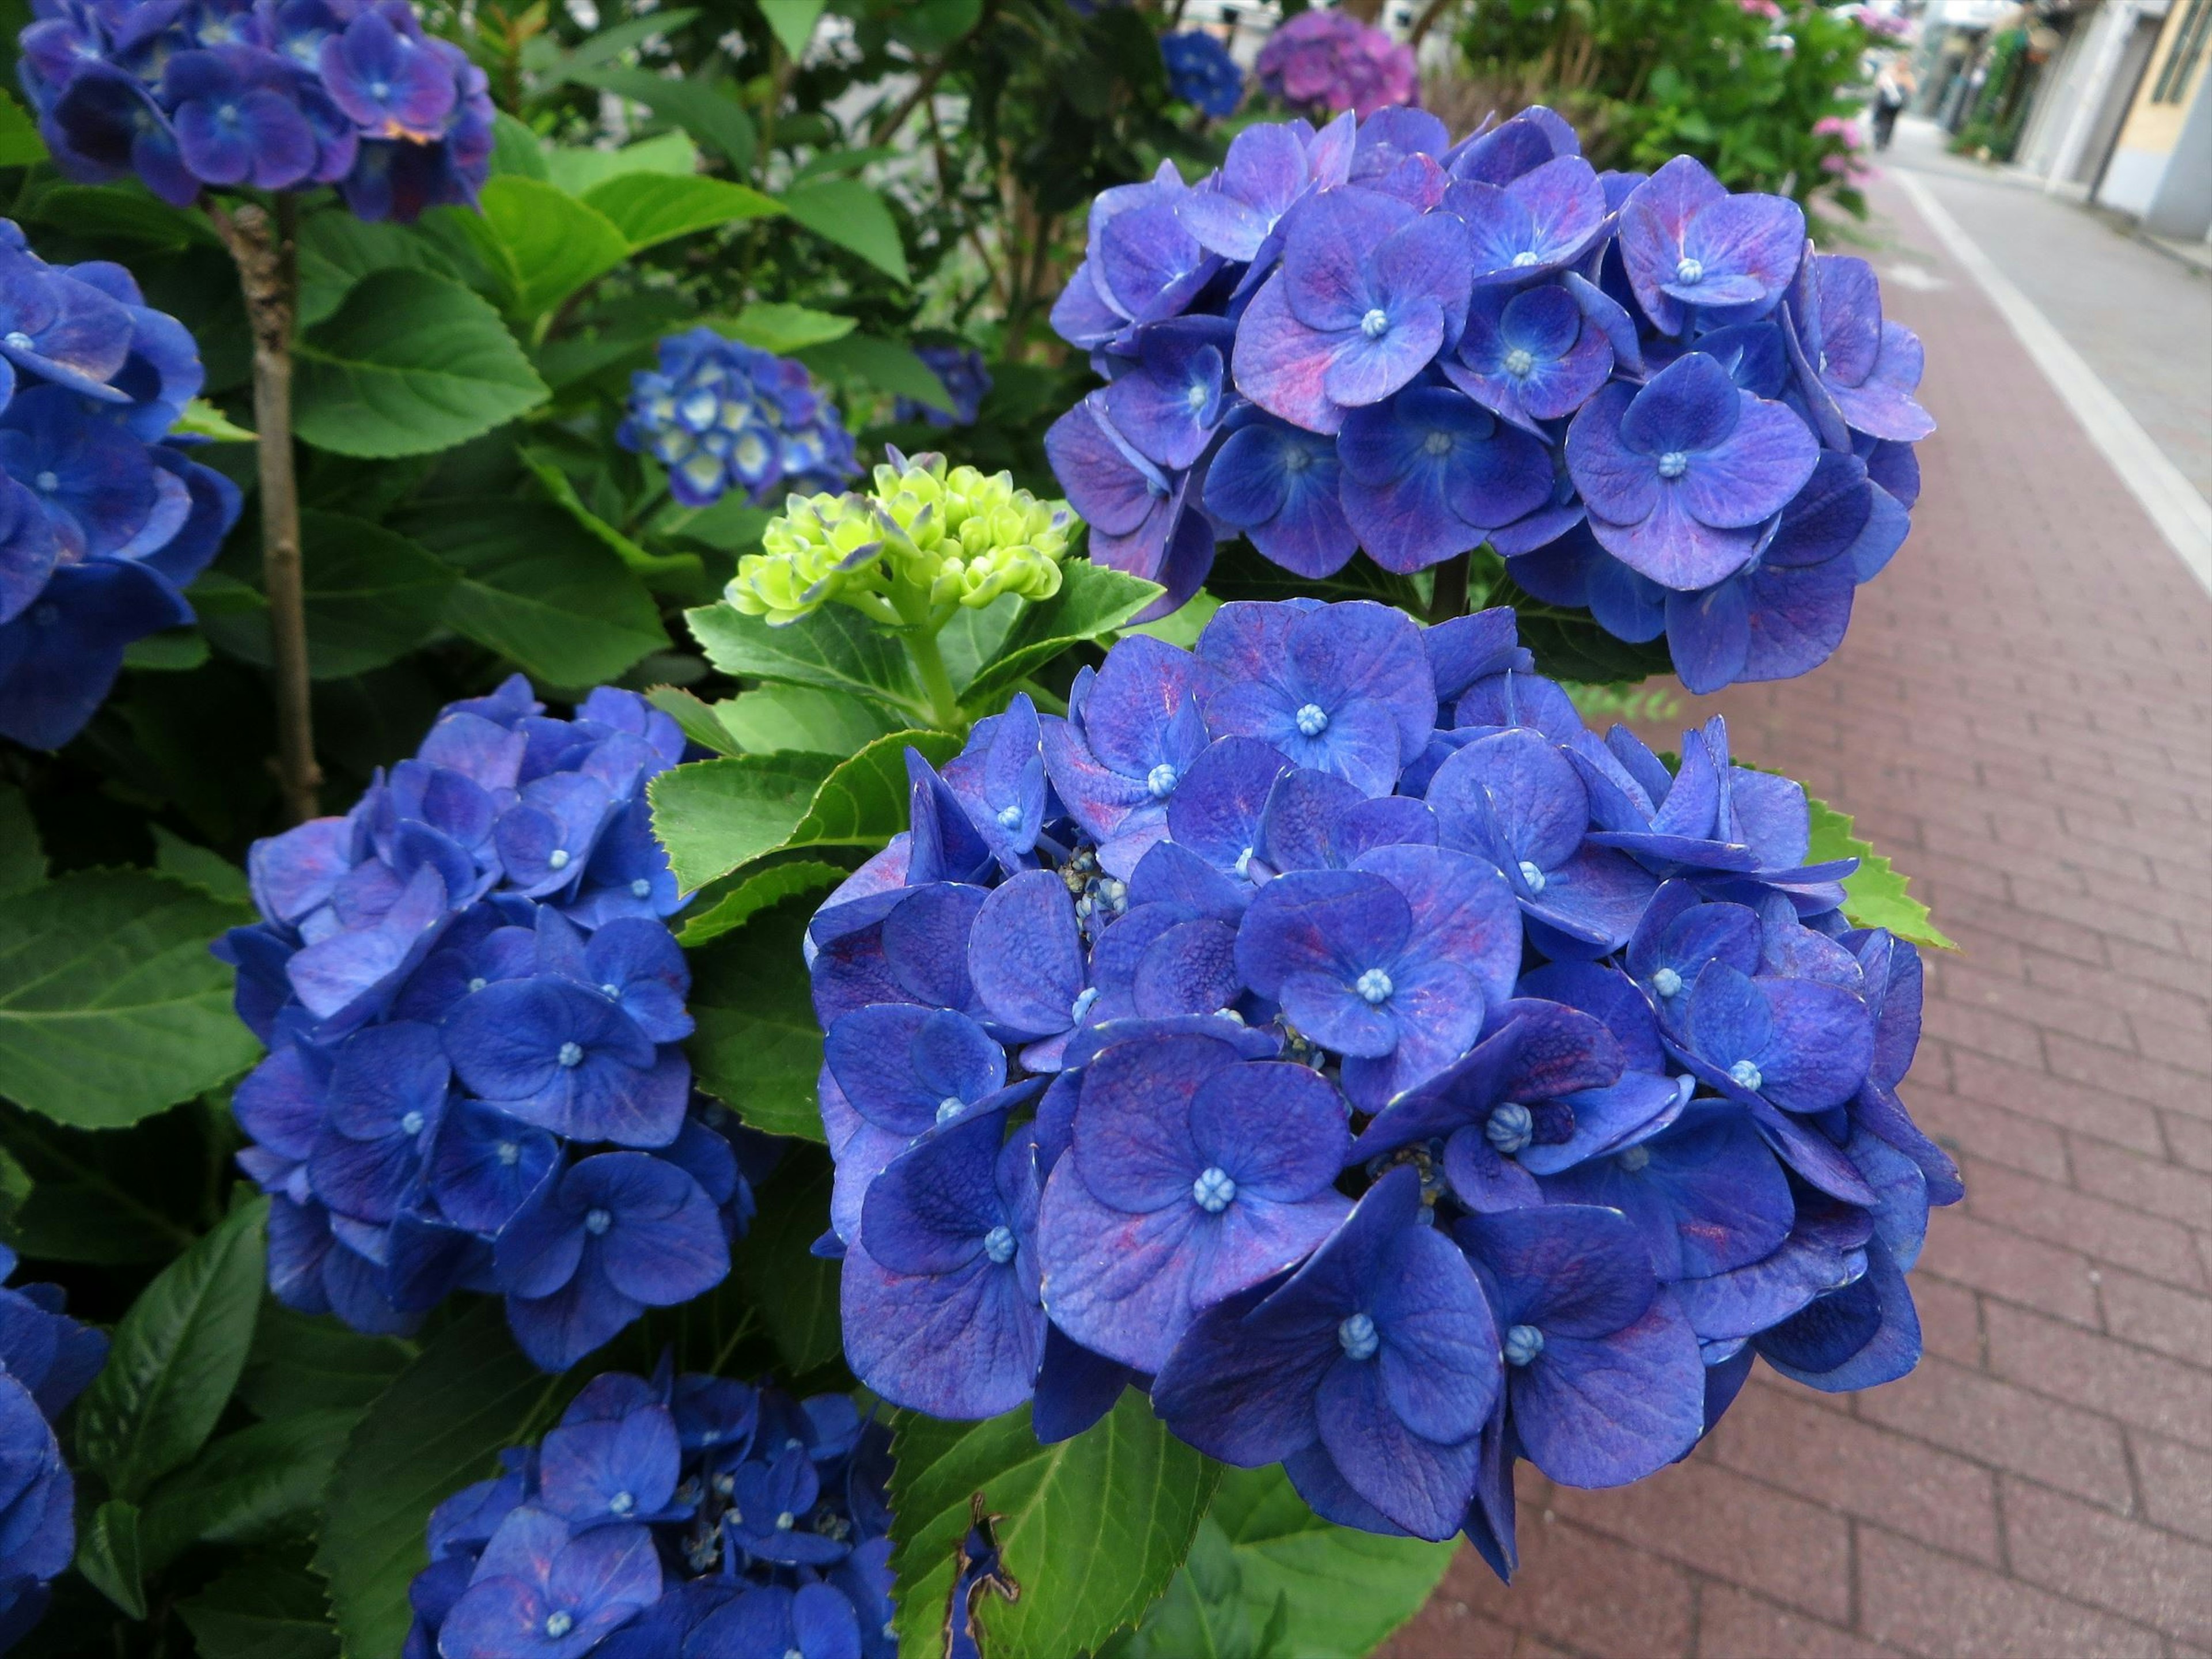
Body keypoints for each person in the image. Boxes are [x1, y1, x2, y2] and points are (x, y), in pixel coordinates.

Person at [1873, 56, 1916, 150]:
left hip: (1896, 103)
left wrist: (1902, 85)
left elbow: (1912, 89)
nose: (1903, 66)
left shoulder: (1908, 76)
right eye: (1902, 63)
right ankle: (1879, 138)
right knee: (1880, 119)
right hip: (1884, 100)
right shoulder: (1889, 72)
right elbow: (1880, 84)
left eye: (1905, 64)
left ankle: (1884, 140)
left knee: (1890, 121)